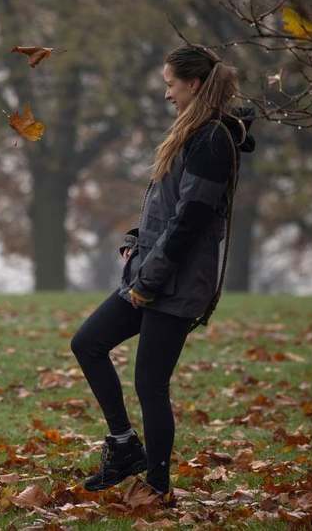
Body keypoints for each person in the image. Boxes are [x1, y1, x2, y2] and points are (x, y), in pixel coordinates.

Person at [70, 44, 256, 502]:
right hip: (152, 272)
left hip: (174, 282)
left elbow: (191, 220)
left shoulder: (212, 139)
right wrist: (138, 241)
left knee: (150, 383)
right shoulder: (195, 132)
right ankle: (124, 447)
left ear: (193, 84)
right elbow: (171, 207)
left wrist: (148, 282)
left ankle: (156, 486)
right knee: (87, 342)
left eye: (171, 84)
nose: (167, 93)